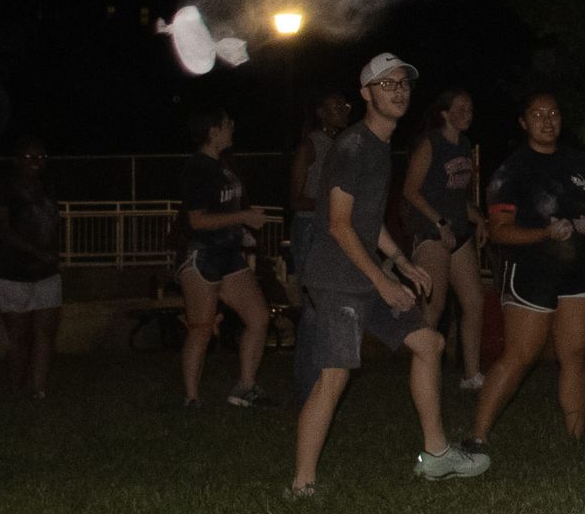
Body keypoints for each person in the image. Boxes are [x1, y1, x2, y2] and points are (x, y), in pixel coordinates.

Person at [290, 53, 485, 492]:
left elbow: (365, 219)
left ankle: (436, 456)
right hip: (337, 278)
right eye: (386, 84)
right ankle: (302, 484)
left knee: (429, 343)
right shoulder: (354, 147)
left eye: (402, 84)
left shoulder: (379, 147)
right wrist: (384, 281)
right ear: (366, 94)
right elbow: (339, 225)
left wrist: (400, 261)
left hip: (364, 272)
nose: (397, 91)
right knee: (335, 375)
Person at [471, 93, 585, 447]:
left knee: (575, 356)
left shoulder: (580, 163)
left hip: (577, 272)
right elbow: (499, 230)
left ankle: (576, 438)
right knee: (520, 356)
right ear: (523, 122)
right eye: (537, 114)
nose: (547, 121)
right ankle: (477, 436)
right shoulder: (512, 170)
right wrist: (546, 233)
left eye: (554, 113)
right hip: (530, 272)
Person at [174, 106, 272, 408]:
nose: (232, 127)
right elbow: (197, 220)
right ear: (212, 130)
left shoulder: (225, 165)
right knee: (202, 329)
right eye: (227, 123)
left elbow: (227, 209)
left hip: (229, 254)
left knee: (258, 317)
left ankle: (245, 387)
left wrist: (243, 223)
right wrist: (242, 215)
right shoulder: (198, 168)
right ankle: (191, 398)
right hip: (202, 255)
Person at [397, 83, 491, 392]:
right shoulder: (430, 143)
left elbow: (455, 195)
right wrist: (440, 223)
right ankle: (424, 371)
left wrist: (479, 220)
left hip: (458, 231)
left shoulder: (464, 145)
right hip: (430, 230)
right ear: (444, 113)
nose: (467, 114)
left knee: (474, 301)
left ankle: (472, 375)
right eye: (460, 109)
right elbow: (411, 190)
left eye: (471, 109)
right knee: (434, 305)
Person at [0, 137, 65, 401]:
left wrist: (49, 254)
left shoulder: (47, 188)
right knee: (20, 335)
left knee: (45, 334)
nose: (36, 162)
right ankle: (16, 390)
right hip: (12, 271)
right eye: (29, 157)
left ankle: (38, 389)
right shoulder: (5, 189)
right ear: (17, 160)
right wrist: (36, 251)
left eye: (41, 157)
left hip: (46, 272)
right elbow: (2, 230)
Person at [285, 86, 352, 298]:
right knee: (313, 300)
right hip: (310, 228)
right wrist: (332, 204)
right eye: (336, 106)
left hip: (334, 227)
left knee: (331, 297)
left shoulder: (343, 144)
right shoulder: (310, 146)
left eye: (345, 106)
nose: (343, 110)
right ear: (321, 113)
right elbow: (295, 201)